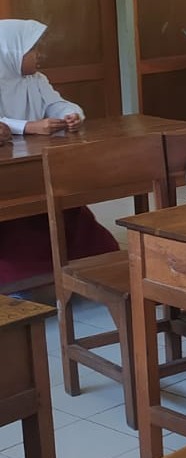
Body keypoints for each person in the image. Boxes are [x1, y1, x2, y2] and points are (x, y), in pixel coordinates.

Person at [0, 19, 118, 288]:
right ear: (11, 51)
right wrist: (28, 126)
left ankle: (81, 263)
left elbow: (57, 103)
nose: (39, 55)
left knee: (67, 208)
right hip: (9, 172)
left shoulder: (37, 80)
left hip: (38, 160)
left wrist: (70, 115)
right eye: (32, 49)